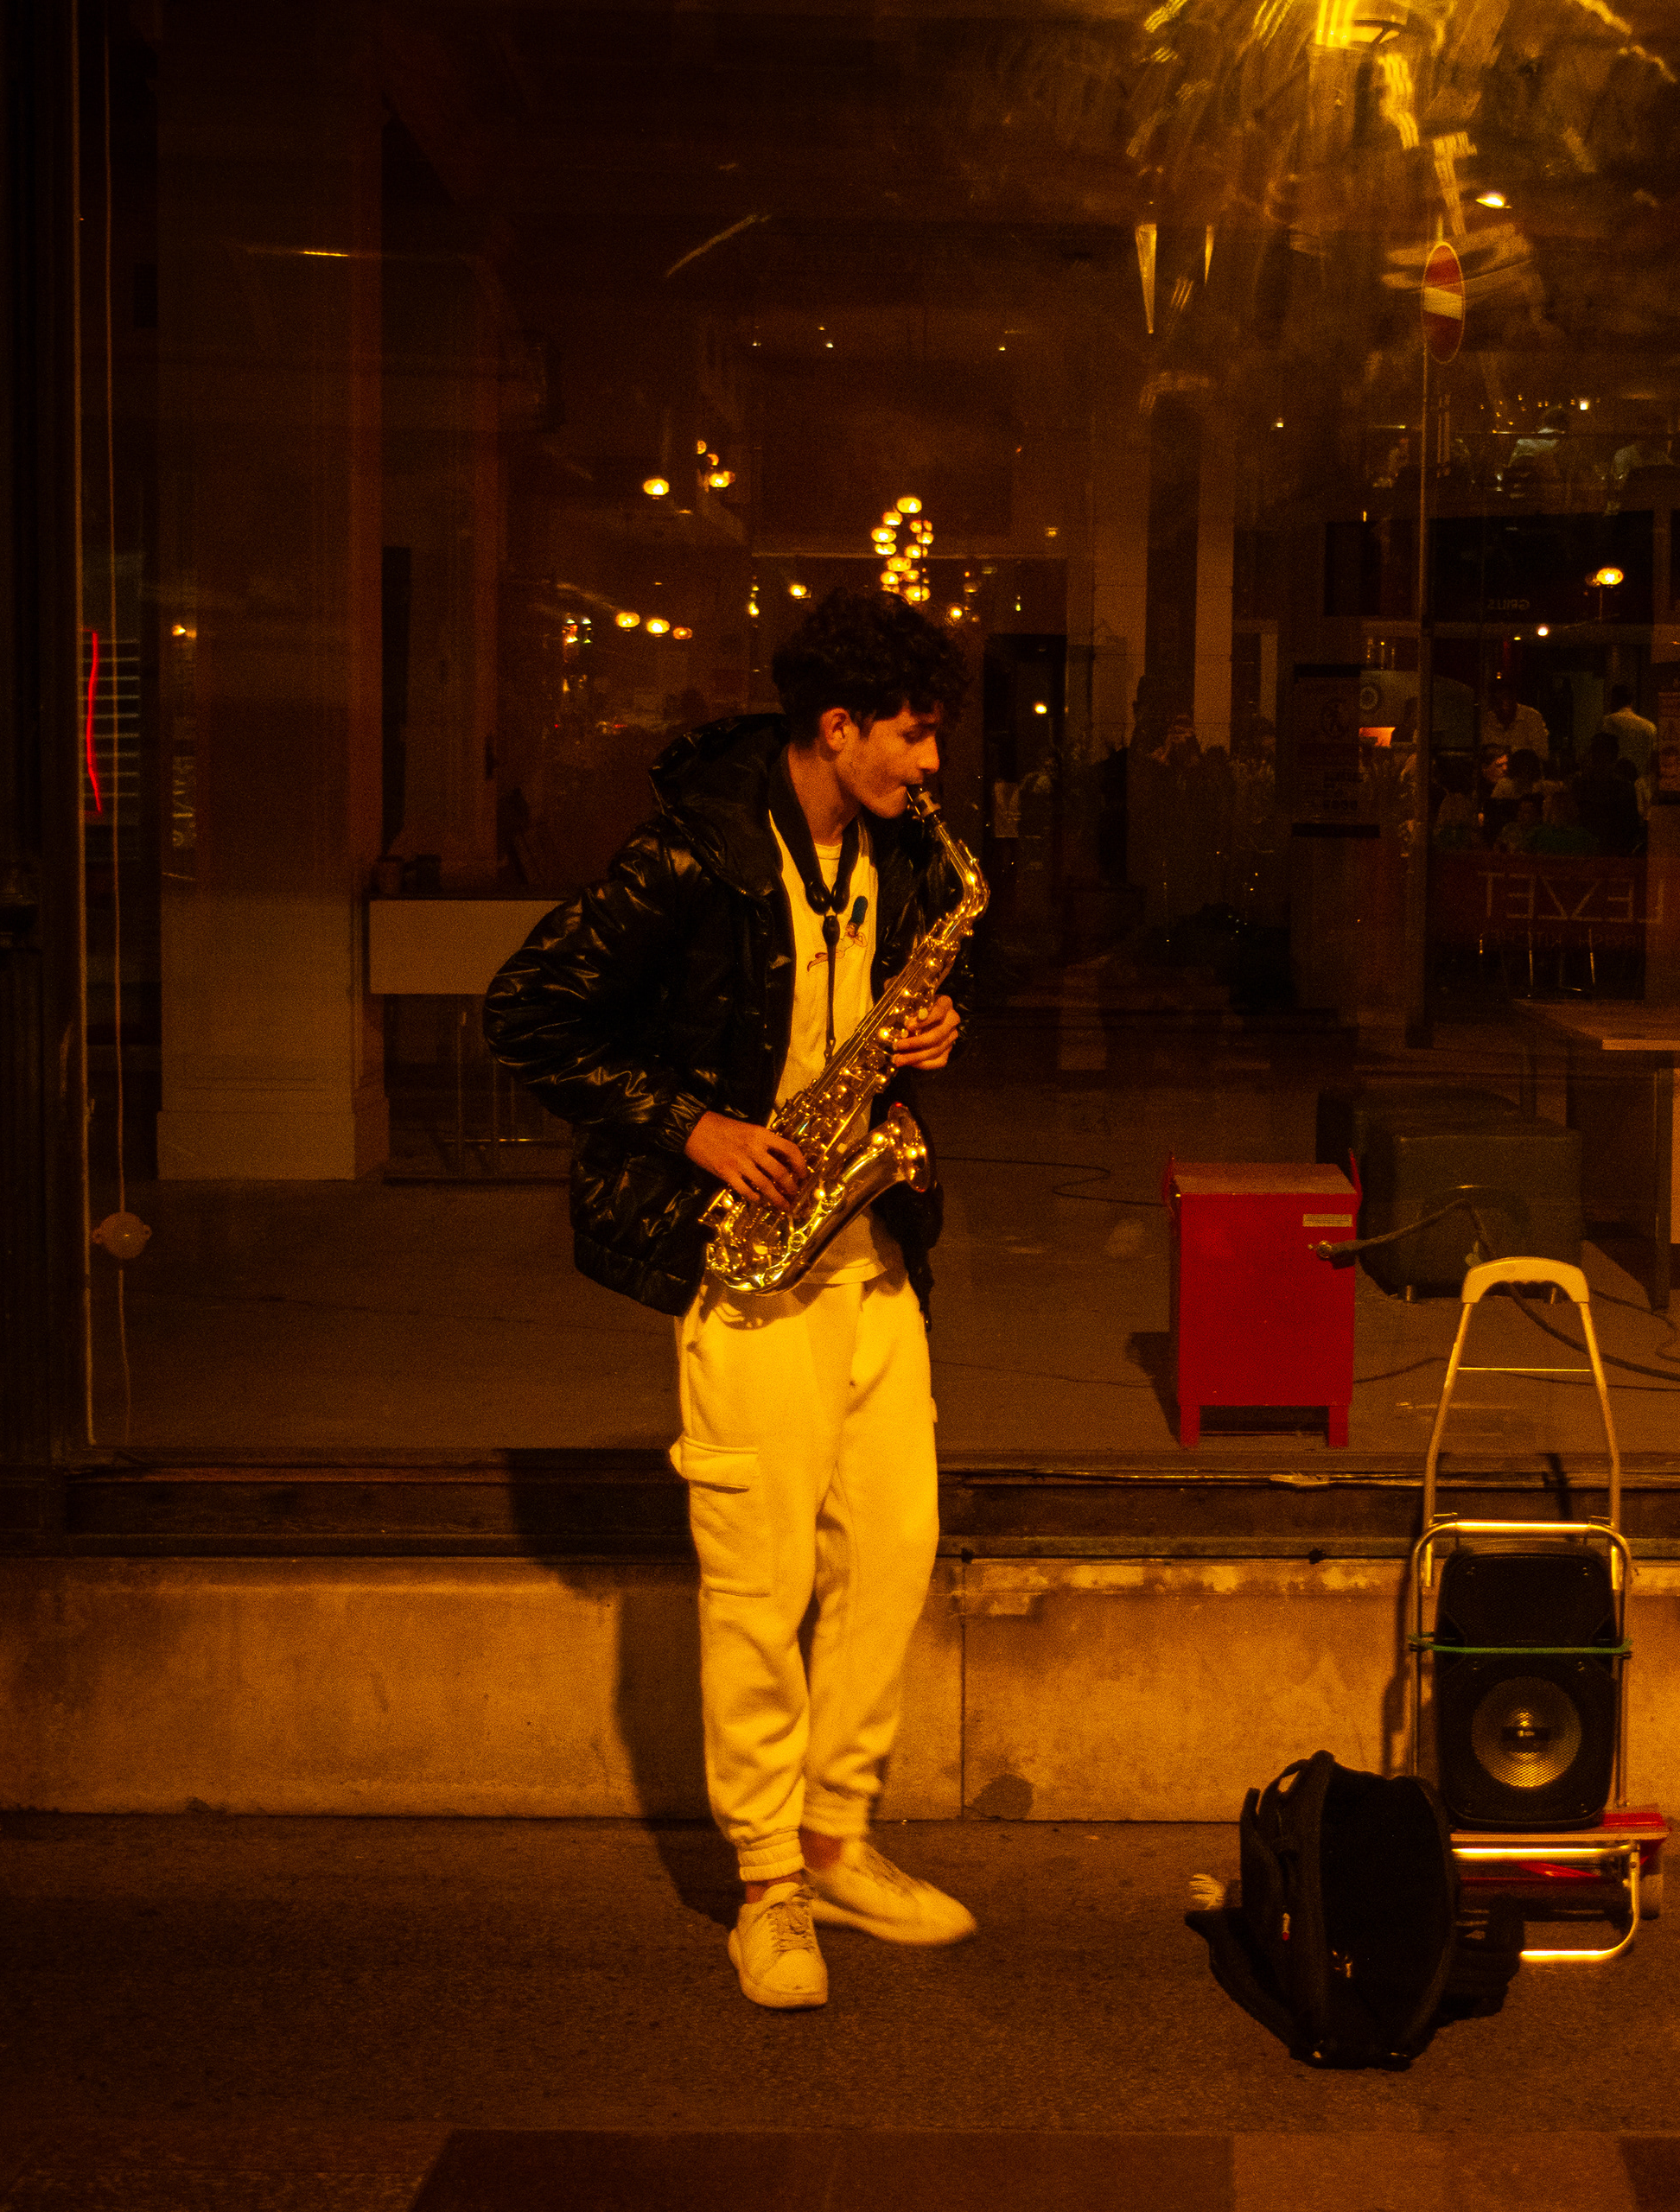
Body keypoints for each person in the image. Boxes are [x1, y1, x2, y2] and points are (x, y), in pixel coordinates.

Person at [485, 587, 979, 2012]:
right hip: (748, 1265)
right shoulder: (693, 855)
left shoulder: (903, 857)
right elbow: (529, 1011)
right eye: (913, 735)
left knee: (894, 1551)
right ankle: (768, 1884)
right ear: (839, 726)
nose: (930, 764)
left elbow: (872, 1008)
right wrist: (694, 1128)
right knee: (760, 1589)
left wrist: (929, 1034)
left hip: (869, 1248)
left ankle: (838, 1838)